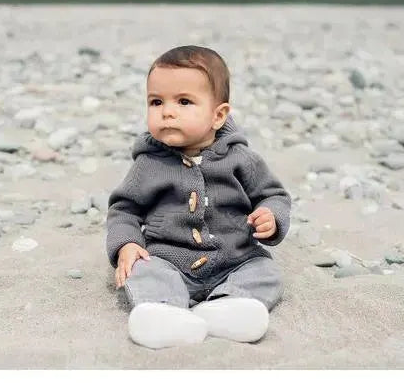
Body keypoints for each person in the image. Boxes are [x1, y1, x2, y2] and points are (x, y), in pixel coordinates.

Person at [105, 45, 291, 349]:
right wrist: (126, 244)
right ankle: (163, 312)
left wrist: (271, 216)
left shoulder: (241, 159)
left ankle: (229, 307)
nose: (167, 111)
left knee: (265, 272)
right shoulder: (148, 164)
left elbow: (273, 195)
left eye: (184, 101)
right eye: (156, 102)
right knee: (143, 269)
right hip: (169, 259)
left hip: (235, 258)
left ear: (218, 115)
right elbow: (124, 210)